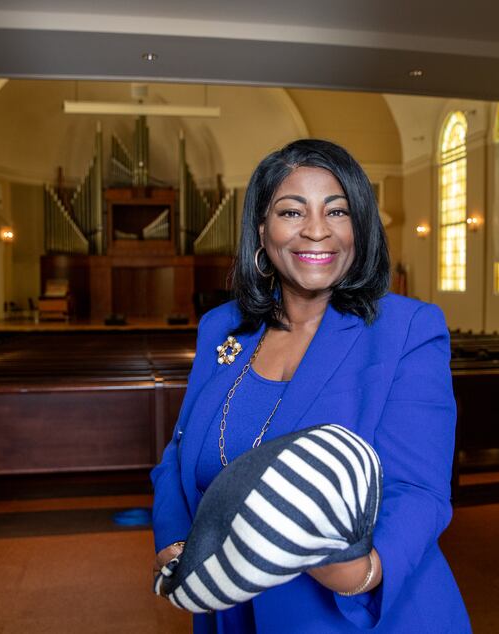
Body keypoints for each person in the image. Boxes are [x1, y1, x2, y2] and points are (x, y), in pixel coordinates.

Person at [151, 139, 471, 633]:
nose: (317, 230)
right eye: (291, 211)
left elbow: (420, 489)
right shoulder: (222, 327)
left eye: (337, 210)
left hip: (358, 615)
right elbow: (178, 453)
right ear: (262, 228)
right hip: (230, 607)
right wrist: (177, 543)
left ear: (359, 226)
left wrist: (365, 572)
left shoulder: (407, 329)